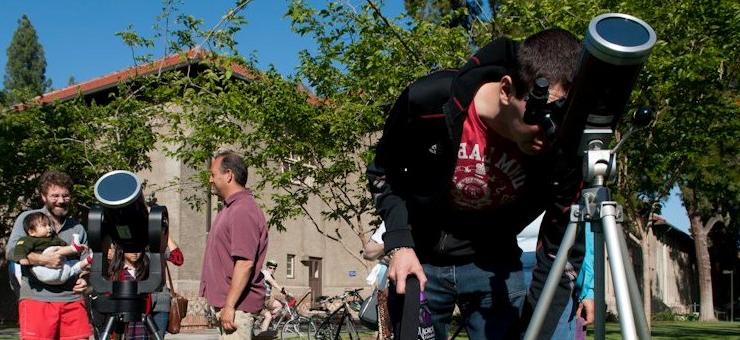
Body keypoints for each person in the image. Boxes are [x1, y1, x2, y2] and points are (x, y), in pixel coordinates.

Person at [366, 29, 584, 339]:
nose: (549, 131)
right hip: (420, 259)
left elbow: (560, 248)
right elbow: (383, 171)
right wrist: (400, 242)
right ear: (507, 89)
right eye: (540, 113)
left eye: (562, 116)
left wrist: (537, 325)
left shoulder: (562, 148)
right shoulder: (430, 102)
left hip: (495, 266)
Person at [5, 170, 93, 340]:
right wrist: (44, 259)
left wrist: (84, 279)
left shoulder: (77, 228)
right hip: (37, 300)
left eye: (65, 195)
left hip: (72, 300)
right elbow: (11, 251)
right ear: (44, 197)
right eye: (55, 195)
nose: (61, 200)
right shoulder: (29, 219)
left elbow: (85, 262)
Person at [200, 150, 269, 340]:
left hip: (237, 310)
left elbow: (245, 262)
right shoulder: (230, 208)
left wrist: (229, 305)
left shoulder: (242, 210)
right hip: (230, 309)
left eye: (213, 175)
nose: (210, 180)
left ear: (229, 175)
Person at [12, 211, 92, 285]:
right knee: (52, 250)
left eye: (49, 225)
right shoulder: (28, 240)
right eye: (44, 225)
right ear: (31, 232)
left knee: (73, 263)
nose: (49, 228)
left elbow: (63, 246)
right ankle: (74, 248)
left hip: (61, 275)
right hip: (42, 270)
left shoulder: (53, 238)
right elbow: (20, 248)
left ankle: (85, 260)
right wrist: (22, 259)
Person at [108, 244, 152, 339]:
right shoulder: (117, 273)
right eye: (131, 249)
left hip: (141, 318)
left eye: (138, 249)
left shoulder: (144, 271)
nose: (135, 253)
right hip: (121, 319)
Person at [151, 235, 186, 339]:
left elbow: (178, 259)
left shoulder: (160, 244)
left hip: (160, 302)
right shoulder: (135, 246)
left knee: (158, 337)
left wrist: (166, 234)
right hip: (139, 302)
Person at [258, 260, 288, 333]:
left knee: (279, 306)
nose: (272, 270)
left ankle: (263, 320)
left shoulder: (271, 276)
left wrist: (284, 293)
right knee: (279, 306)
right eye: (270, 268)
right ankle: (263, 333)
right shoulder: (265, 273)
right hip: (262, 299)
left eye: (274, 268)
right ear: (267, 267)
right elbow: (273, 283)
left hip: (267, 299)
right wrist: (282, 290)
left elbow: (275, 284)